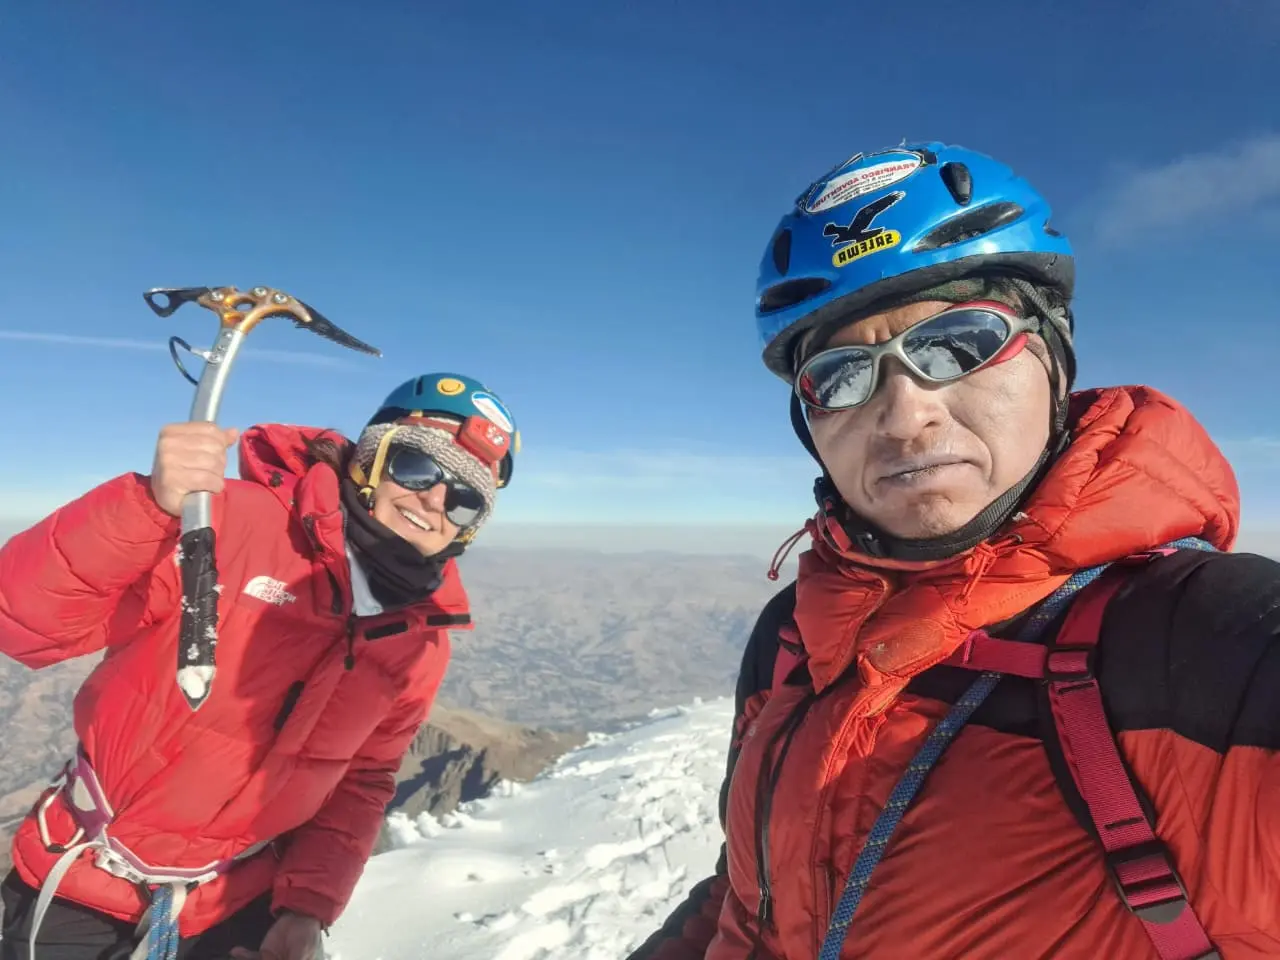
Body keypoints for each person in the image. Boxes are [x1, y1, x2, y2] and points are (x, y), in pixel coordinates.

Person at [629, 142, 1280, 958]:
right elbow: (751, 895)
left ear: (1054, 357)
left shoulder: (1203, 645)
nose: (906, 416)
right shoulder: (793, 637)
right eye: (840, 376)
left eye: (959, 343)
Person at [0, 372, 520, 960]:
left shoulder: (420, 640)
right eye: (418, 467)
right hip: (82, 890)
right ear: (371, 461)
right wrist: (149, 506)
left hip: (240, 910)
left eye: (465, 498)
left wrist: (306, 907)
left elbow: (362, 779)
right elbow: (25, 623)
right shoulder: (227, 520)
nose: (435, 500)